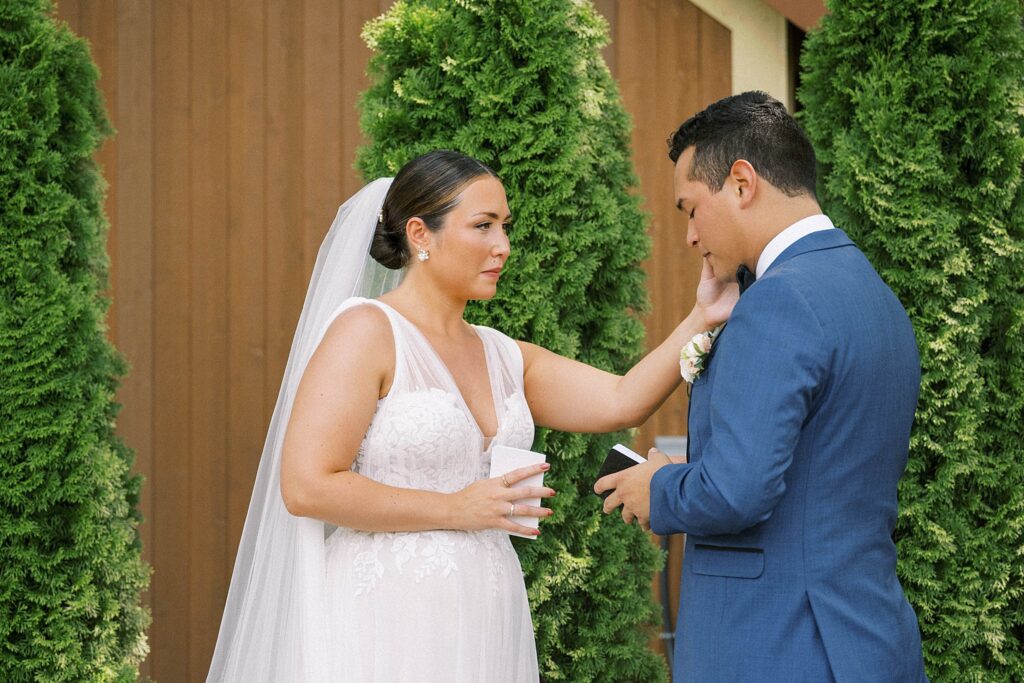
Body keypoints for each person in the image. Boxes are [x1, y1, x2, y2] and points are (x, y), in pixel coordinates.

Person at [207, 150, 737, 682]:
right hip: (387, 617)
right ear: (421, 235)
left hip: (486, 610)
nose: (502, 246)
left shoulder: (505, 355)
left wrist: (703, 314)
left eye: (504, 226)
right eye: (482, 226)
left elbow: (624, 399)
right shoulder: (367, 331)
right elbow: (306, 487)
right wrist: (457, 507)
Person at [596, 92, 929, 682]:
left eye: (691, 209)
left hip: (776, 644)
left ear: (742, 183)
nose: (692, 236)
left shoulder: (780, 300)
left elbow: (737, 491)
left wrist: (659, 489)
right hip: (866, 639)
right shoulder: (872, 293)